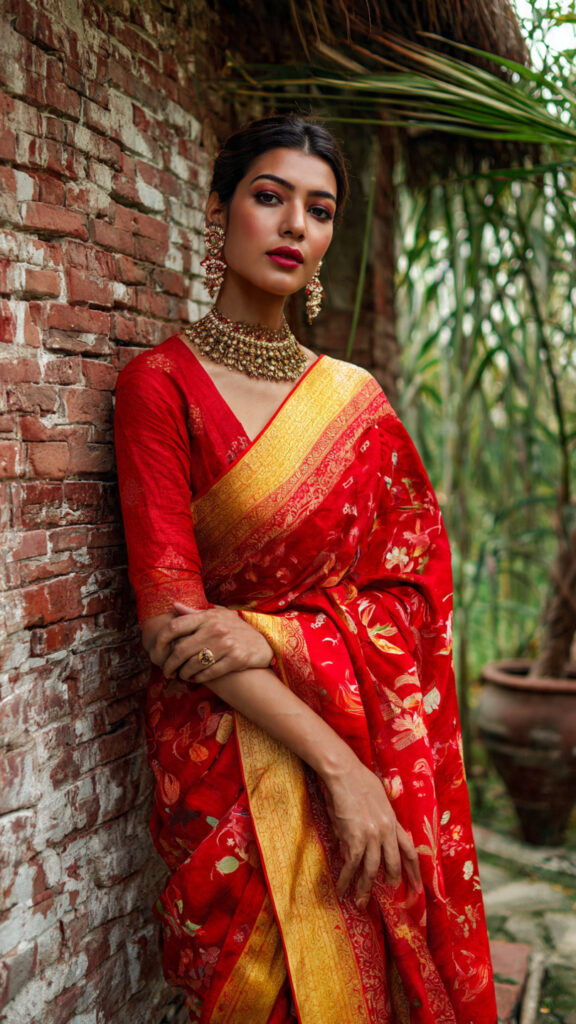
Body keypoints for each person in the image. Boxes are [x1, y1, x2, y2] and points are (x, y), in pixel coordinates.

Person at [114, 114, 497, 1024]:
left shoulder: (354, 404)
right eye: (269, 197)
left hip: (362, 737)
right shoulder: (159, 387)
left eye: (318, 210)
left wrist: (255, 627)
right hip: (225, 757)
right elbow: (172, 627)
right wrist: (343, 773)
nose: (294, 225)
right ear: (219, 211)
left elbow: (412, 594)